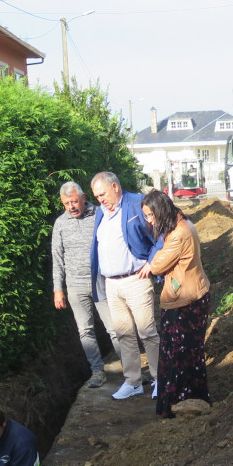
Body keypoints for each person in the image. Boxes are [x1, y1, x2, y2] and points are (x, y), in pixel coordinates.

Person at [138, 189, 211, 418]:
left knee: (179, 355)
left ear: (160, 212)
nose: (149, 221)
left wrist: (149, 265)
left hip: (184, 300)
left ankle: (180, 404)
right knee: (187, 352)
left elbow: (158, 265)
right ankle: (191, 399)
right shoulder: (182, 223)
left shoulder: (177, 234)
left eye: (150, 216)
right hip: (191, 295)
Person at [89, 171, 161, 401]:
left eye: (102, 194)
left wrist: (152, 262)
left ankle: (160, 379)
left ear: (115, 187)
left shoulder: (137, 203)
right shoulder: (101, 213)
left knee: (147, 332)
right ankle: (133, 382)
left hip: (135, 280)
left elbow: (160, 234)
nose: (100, 199)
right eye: (96, 196)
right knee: (124, 334)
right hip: (112, 284)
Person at [52, 181, 119, 388]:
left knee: (114, 328)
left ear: (83, 198)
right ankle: (98, 371)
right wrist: (58, 289)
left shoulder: (100, 215)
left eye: (74, 201)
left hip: (101, 281)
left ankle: (132, 370)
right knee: (85, 331)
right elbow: (57, 258)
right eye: (66, 203)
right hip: (75, 286)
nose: (71, 206)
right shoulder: (60, 223)